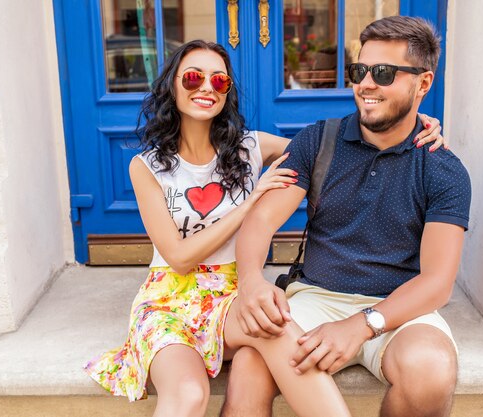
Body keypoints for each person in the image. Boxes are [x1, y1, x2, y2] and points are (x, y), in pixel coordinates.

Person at [83, 39, 446, 417]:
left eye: (219, 81)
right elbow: (178, 257)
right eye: (193, 77)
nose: (206, 87)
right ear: (172, 85)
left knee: (275, 325)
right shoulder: (146, 167)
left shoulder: (250, 147)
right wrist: (250, 203)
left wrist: (414, 126)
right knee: (189, 395)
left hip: (230, 295)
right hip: (168, 301)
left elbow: (333, 154)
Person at [225, 16, 471, 417]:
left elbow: (437, 283)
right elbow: (261, 220)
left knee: (431, 372)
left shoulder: (443, 170)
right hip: (315, 298)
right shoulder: (318, 141)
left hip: (398, 308)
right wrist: (251, 280)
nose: (366, 84)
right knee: (250, 367)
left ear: (423, 84)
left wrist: (361, 325)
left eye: (384, 73)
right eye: (359, 70)